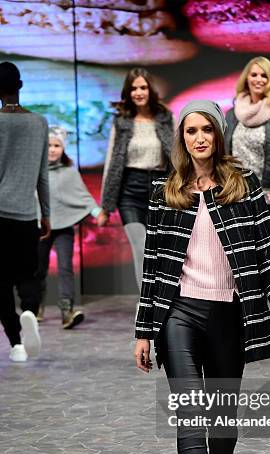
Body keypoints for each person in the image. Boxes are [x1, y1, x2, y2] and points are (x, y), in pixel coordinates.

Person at [134, 100, 270, 454]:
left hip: (230, 314)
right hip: (179, 314)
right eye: (190, 131)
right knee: (191, 415)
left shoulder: (243, 185)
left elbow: (266, 254)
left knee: (222, 423)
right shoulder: (163, 190)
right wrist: (144, 330)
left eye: (206, 129)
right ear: (182, 138)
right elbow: (153, 268)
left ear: (218, 134)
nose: (199, 138)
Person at [101, 67, 174, 298]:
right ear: (128, 92)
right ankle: (146, 307)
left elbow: (175, 157)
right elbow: (112, 161)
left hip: (160, 188)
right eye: (134, 88)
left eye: (143, 87)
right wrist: (105, 205)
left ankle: (163, 301)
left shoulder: (165, 117)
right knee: (140, 248)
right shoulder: (121, 121)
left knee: (161, 251)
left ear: (150, 90)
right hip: (129, 191)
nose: (139, 92)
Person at [0, 61, 51, 363]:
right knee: (27, 273)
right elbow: (43, 174)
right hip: (25, 213)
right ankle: (30, 309)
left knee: (1, 281)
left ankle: (16, 344)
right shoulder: (39, 123)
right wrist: (46, 213)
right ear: (20, 87)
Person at [37, 126, 107, 329]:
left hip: (65, 225)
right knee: (38, 268)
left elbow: (83, 196)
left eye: (57, 145)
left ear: (63, 148)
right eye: (48, 145)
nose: (52, 149)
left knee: (65, 268)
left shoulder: (69, 171)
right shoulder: (35, 170)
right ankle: (36, 306)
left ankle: (67, 310)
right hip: (41, 225)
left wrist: (98, 213)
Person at [224, 56, 270, 234]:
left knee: (262, 256)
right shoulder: (233, 114)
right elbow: (224, 155)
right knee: (237, 255)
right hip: (235, 196)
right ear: (246, 78)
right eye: (254, 74)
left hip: (267, 197)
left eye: (264, 75)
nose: (258, 79)